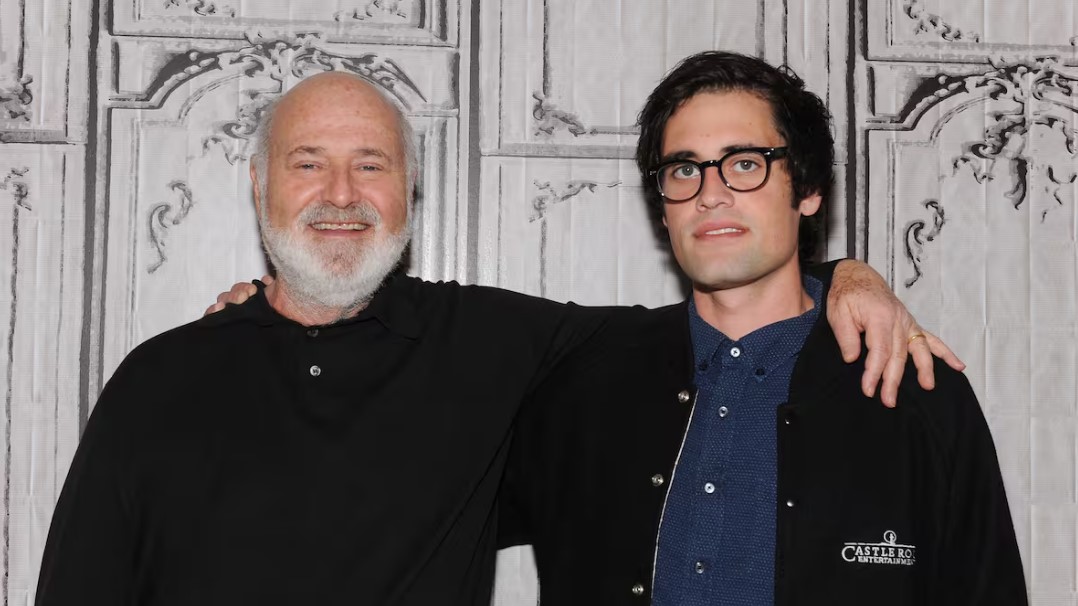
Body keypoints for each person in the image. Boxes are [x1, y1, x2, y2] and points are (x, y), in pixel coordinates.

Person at [36, 71, 954, 605]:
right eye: (308, 163)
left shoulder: (494, 345)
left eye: (372, 165)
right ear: (259, 184)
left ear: (410, 190)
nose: (342, 195)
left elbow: (727, 301)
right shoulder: (159, 380)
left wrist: (846, 276)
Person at [498, 51, 1026, 605]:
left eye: (745, 163)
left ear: (808, 189)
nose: (710, 193)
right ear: (663, 209)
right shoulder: (585, 385)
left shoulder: (915, 390)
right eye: (684, 168)